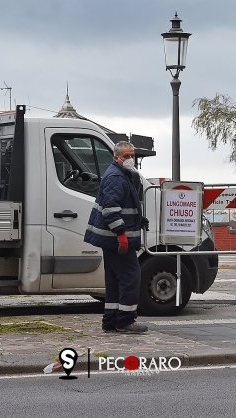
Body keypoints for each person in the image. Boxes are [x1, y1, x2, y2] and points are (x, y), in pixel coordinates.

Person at [84, 141, 148, 334]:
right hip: (117, 239)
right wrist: (121, 234)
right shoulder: (116, 177)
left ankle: (111, 320)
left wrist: (139, 219)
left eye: (132, 155)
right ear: (116, 158)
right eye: (126, 156)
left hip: (111, 239)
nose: (130, 159)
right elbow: (111, 210)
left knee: (113, 280)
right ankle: (126, 320)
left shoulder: (120, 174)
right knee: (131, 277)